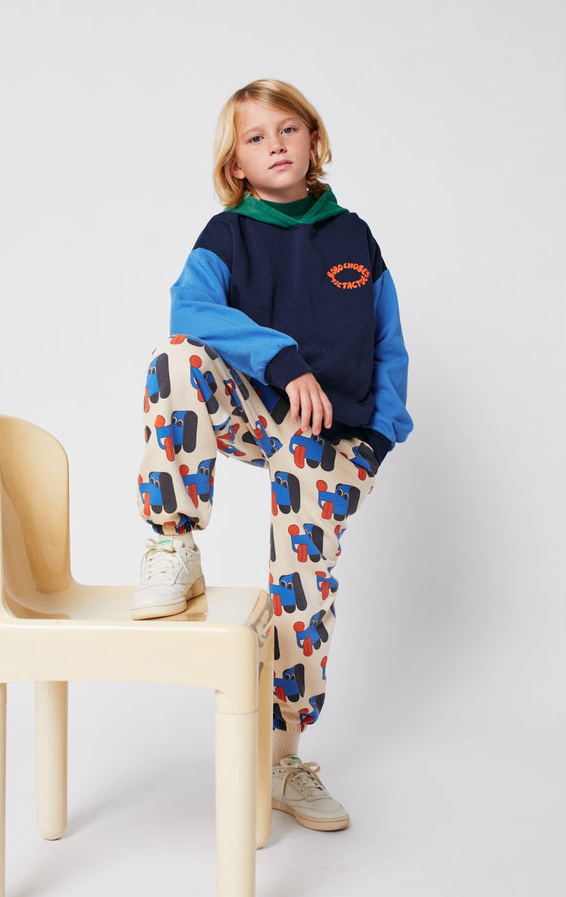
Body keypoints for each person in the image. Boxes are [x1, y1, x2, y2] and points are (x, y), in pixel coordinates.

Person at [131, 79, 413, 831]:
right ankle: (173, 542)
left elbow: (389, 342)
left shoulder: (353, 236)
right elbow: (190, 310)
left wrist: (380, 438)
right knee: (178, 358)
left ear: (314, 140)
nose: (276, 144)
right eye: (255, 137)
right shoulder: (228, 234)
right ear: (237, 164)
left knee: (301, 585)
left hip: (332, 434)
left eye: (288, 129)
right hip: (259, 408)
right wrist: (282, 359)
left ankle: (283, 759)